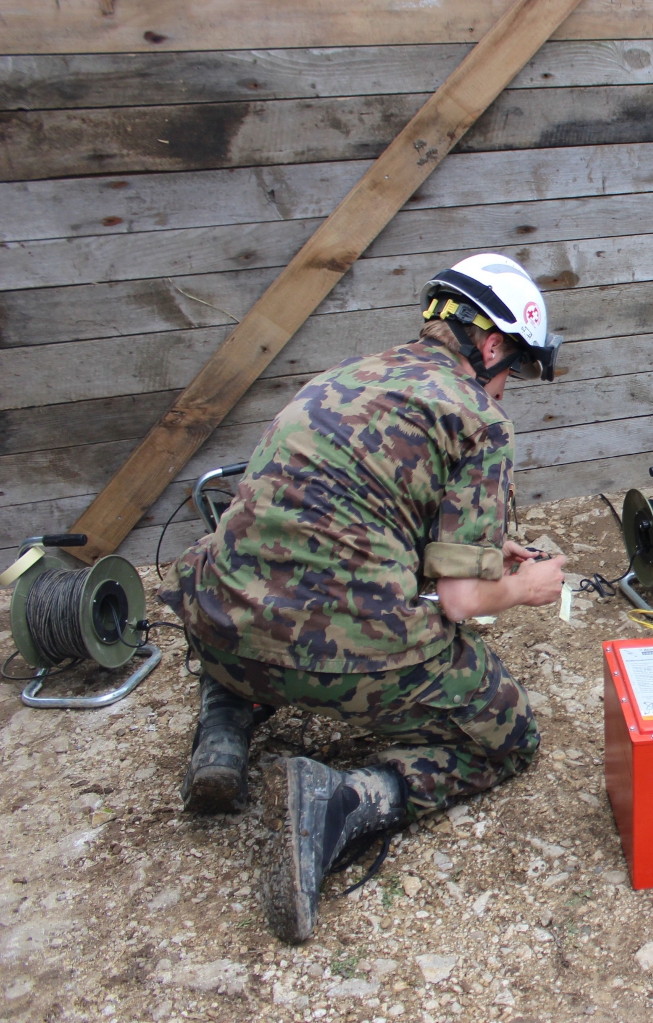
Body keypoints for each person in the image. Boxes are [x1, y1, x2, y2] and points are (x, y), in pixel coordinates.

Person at [160, 252, 568, 942]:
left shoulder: (342, 377)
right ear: (492, 346)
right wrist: (525, 587)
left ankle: (224, 723)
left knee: (238, 565)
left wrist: (480, 546)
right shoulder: (479, 416)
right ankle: (342, 802)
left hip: (218, 621)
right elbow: (461, 601)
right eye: (517, 369)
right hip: (334, 653)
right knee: (509, 737)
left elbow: (357, 515)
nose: (508, 389)